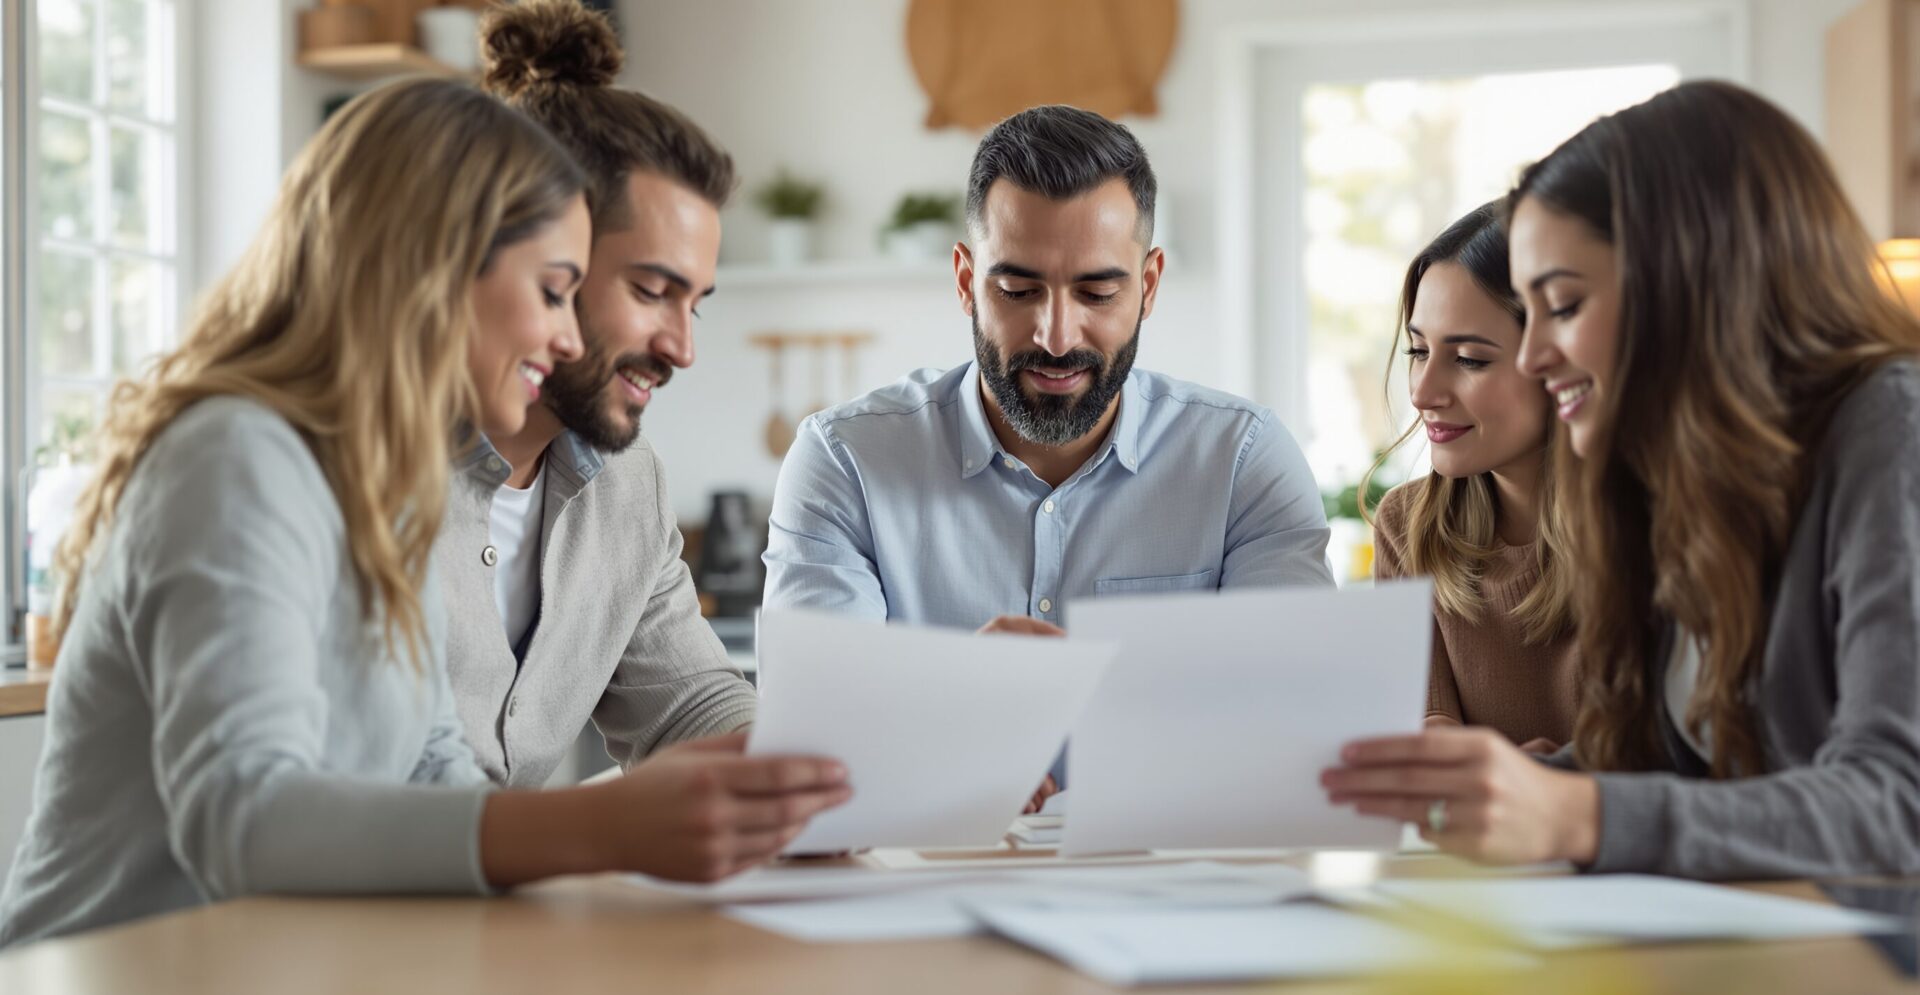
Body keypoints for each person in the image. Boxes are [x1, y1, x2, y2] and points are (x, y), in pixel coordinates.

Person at [0, 79, 848, 949]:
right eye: (553, 290)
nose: (566, 336)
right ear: (438, 270)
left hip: (307, 981)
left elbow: (440, 773)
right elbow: (242, 814)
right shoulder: (239, 455)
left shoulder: (392, 479)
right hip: (107, 992)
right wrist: (604, 826)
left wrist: (812, 786)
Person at [1323, 81, 1920, 879]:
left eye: (1564, 306)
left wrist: (1573, 811)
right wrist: (1512, 790)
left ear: (1695, 281)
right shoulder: (1692, 482)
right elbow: (1677, 765)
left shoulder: (1892, 429)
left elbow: (1899, 805)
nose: (1536, 356)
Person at [762, 105, 1332, 800]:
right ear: (966, 281)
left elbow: (1294, 725)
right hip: (926, 862)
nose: (1057, 336)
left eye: (1097, 291)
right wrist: (944, 713)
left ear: (1149, 286)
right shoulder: (844, 461)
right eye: (1017, 290)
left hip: (1174, 860)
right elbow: (809, 743)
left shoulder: (1242, 460)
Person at [439, 0, 756, 792]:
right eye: (652, 291)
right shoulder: (357, 466)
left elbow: (690, 708)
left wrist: (835, 764)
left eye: (695, 304)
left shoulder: (625, 483)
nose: (682, 349)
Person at [1365, 203, 1577, 753]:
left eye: (1469, 359)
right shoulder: (1405, 526)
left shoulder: (1663, 529)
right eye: (1419, 351)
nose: (1421, 393)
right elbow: (1424, 724)